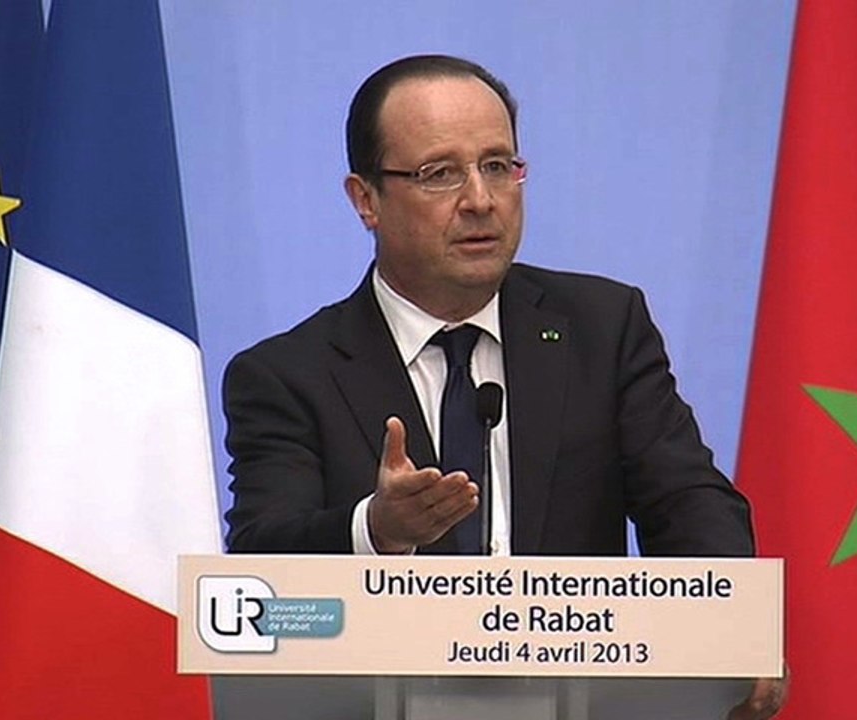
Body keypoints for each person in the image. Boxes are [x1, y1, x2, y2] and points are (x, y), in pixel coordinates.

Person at [222, 55, 786, 717]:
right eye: (439, 173)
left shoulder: (602, 329)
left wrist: (728, 628)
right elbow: (261, 567)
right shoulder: (288, 375)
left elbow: (687, 501)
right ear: (366, 199)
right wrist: (373, 531)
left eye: (498, 165)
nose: (480, 199)